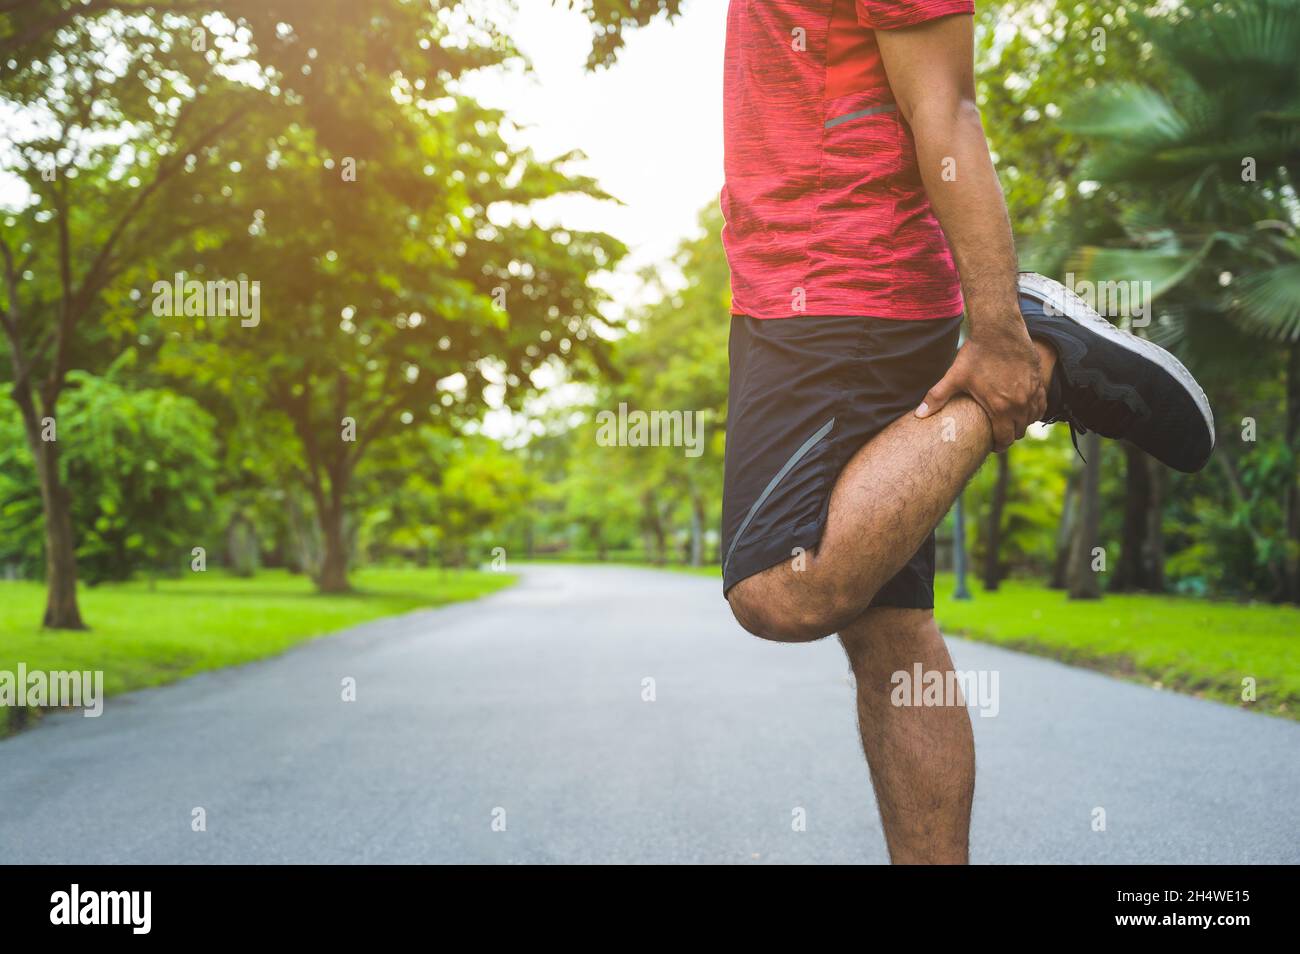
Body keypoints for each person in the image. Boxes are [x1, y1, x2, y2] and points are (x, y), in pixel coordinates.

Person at [717, 0, 1214, 864]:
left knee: (780, 586)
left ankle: (1042, 360)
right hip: (795, 285)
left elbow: (945, 106)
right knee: (889, 629)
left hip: (841, 288)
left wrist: (997, 338)